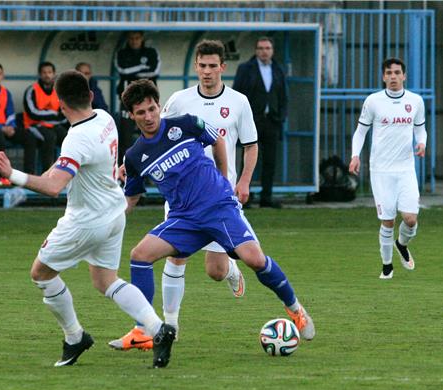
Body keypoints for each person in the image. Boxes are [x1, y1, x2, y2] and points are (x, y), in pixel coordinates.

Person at [110, 79, 315, 353]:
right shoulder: (135, 156)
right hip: (184, 219)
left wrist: (222, 178)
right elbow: (131, 197)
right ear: (131, 115)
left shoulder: (185, 124)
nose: (148, 117)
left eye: (151, 109)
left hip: (219, 207)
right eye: (141, 112)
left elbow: (217, 139)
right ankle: (143, 330)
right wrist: (109, 221)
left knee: (254, 260)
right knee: (140, 255)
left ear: (159, 106)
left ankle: (295, 308)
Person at [0, 70, 175, 369]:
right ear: (90, 95)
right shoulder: (104, 117)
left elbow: (53, 186)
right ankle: (158, 329)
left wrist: (12, 175)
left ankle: (75, 336)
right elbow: (67, 166)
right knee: (106, 281)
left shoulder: (76, 138)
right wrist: (53, 170)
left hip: (86, 220)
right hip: (114, 212)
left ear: (60, 105)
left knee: (41, 273)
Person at [109, 40, 259, 351]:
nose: (207, 71)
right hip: (180, 200)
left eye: (212, 65)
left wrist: (242, 180)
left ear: (222, 67)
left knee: (214, 270)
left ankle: (230, 269)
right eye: (202, 66)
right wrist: (128, 164)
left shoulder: (239, 102)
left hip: (219, 195)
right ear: (196, 67)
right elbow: (153, 136)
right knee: (176, 258)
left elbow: (250, 144)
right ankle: (169, 327)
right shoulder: (179, 101)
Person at [349, 57, 427, 280]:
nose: (393, 76)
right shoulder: (373, 101)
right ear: (384, 76)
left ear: (404, 76)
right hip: (381, 170)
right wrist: (355, 156)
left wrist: (422, 143)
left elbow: (421, 129)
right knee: (388, 220)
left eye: (397, 72)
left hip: (405, 169)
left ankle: (401, 244)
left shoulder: (416, 101)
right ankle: (387, 267)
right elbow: (361, 131)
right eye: (389, 73)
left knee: (410, 219)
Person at [233, 36, 288, 208]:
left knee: (270, 160)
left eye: (267, 48)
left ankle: (267, 197)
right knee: (248, 159)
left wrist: (280, 117)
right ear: (256, 51)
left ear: (272, 51)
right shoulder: (245, 69)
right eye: (261, 48)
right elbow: (237, 94)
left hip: (271, 121)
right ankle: (243, 196)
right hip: (251, 121)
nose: (264, 52)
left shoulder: (278, 70)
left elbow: (283, 97)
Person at [114, 31, 161, 165]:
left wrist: (132, 72)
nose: (134, 41)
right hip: (127, 102)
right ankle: (125, 170)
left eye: (137, 38)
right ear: (128, 40)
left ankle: (153, 169)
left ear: (142, 38)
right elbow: (122, 71)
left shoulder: (151, 52)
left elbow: (155, 71)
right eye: (131, 38)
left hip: (149, 100)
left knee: (153, 134)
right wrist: (142, 68)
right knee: (125, 137)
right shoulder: (122, 53)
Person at [22, 61, 68, 174]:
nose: (47, 75)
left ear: (54, 74)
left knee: (68, 138)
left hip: (54, 125)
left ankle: (67, 173)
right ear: (39, 74)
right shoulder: (32, 90)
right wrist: (53, 114)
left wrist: (48, 115)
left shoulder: (59, 91)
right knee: (50, 137)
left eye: (49, 72)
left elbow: (63, 113)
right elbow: (32, 113)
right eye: (44, 72)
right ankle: (47, 174)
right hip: (34, 125)